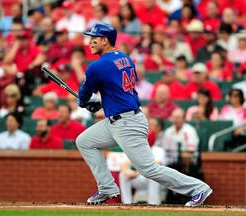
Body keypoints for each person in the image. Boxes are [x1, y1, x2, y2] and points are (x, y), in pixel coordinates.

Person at [76, 22, 212, 206]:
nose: (90, 41)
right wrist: (98, 103)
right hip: (119, 119)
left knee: (149, 169)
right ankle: (107, 187)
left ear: (105, 40)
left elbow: (84, 95)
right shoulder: (125, 58)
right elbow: (117, 90)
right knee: (84, 141)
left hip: (126, 122)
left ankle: (198, 188)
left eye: (94, 38)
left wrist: (84, 102)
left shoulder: (96, 66)